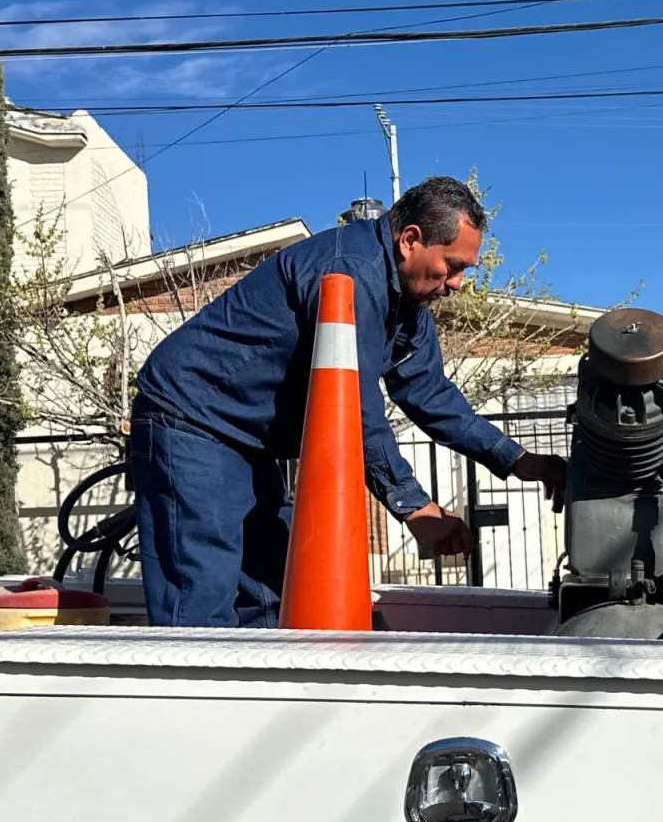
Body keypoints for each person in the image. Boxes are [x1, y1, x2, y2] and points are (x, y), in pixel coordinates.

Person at [128, 176, 568, 628]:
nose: (457, 283)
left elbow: (431, 394)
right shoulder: (349, 273)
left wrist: (518, 461)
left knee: (274, 596)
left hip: (246, 439)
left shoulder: (408, 305)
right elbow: (353, 409)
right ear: (410, 240)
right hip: (191, 421)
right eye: (452, 266)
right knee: (199, 607)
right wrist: (414, 508)